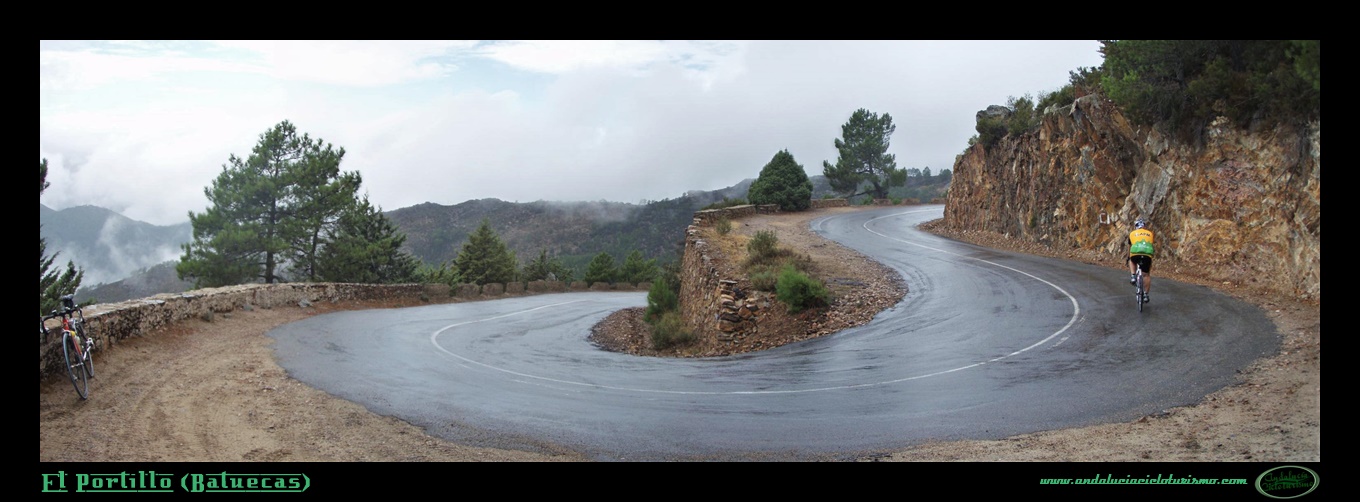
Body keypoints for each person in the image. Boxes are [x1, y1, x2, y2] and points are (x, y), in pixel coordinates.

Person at [1126, 217, 1155, 302]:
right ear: (1144, 226)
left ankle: (1133, 275)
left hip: (1135, 253)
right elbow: (1151, 245)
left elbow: (1129, 248)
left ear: (1136, 226)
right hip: (1147, 254)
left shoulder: (1132, 233)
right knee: (1146, 275)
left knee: (1131, 260)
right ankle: (1146, 295)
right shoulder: (1150, 234)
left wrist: (1128, 257)